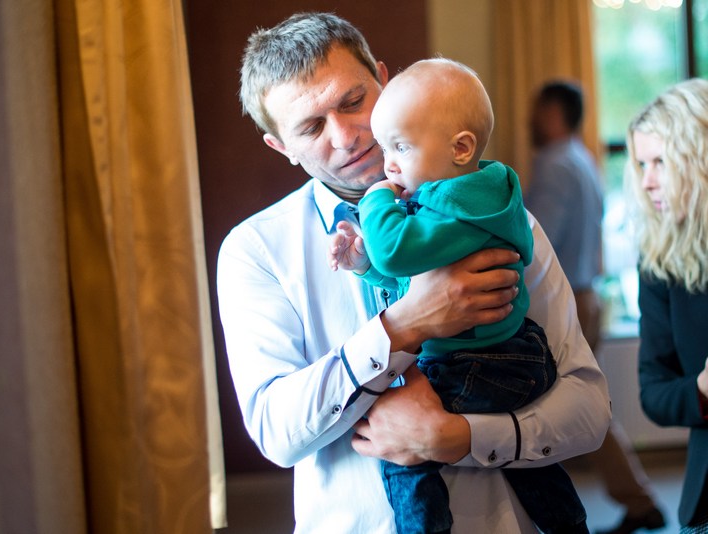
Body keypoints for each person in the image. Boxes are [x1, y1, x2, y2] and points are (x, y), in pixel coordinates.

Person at [217, 12, 610, 533]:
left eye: (353, 101)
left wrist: (460, 439)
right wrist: (405, 326)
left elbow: (590, 411)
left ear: (385, 81)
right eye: (311, 127)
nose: (346, 136)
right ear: (281, 146)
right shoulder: (255, 251)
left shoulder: (500, 220)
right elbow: (276, 433)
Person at [328, 58, 586, 534]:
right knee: (530, 467)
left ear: (461, 148)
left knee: (400, 447)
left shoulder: (455, 205)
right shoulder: (482, 196)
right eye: (386, 148)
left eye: (401, 147)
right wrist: (363, 265)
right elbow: (410, 277)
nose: (389, 164)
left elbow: (395, 251)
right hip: (517, 354)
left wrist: (376, 199)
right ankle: (567, 523)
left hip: (474, 363)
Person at [525, 80, 666, 534]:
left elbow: (532, 242)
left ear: (554, 113)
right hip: (588, 295)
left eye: (537, 110)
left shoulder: (554, 164)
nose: (530, 119)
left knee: (579, 406)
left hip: (561, 303)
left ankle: (638, 500)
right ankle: (637, 499)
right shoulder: (583, 159)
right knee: (581, 402)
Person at [624, 77, 708, 532]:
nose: (648, 181)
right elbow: (654, 393)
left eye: (661, 162)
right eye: (642, 164)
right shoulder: (659, 261)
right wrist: (703, 389)